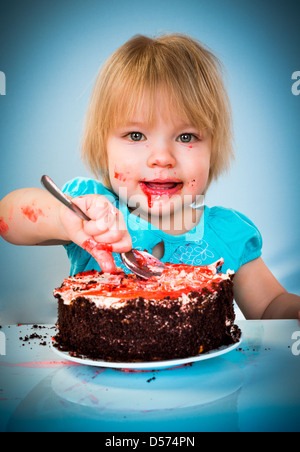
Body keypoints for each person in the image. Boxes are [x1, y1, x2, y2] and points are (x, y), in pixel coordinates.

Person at [0, 34, 299, 319]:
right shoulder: (93, 213)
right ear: (102, 146)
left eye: (185, 136)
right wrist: (64, 218)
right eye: (135, 134)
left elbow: (271, 305)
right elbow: (9, 219)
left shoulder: (226, 233)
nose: (161, 158)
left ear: (212, 148)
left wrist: (290, 311)